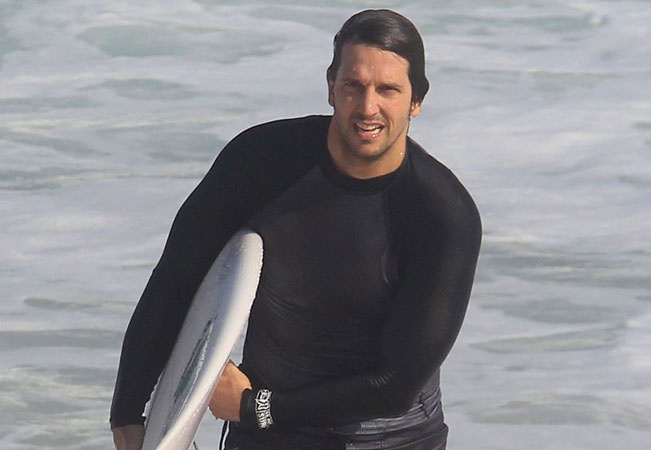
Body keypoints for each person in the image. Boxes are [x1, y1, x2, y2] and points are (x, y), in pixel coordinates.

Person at [110, 9, 481, 450]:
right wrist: (129, 412)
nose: (368, 107)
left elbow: (396, 383)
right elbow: (175, 282)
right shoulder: (261, 162)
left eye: (388, 90)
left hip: (390, 439)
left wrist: (254, 407)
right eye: (353, 86)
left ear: (416, 100)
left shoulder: (441, 214)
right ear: (330, 88)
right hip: (268, 438)